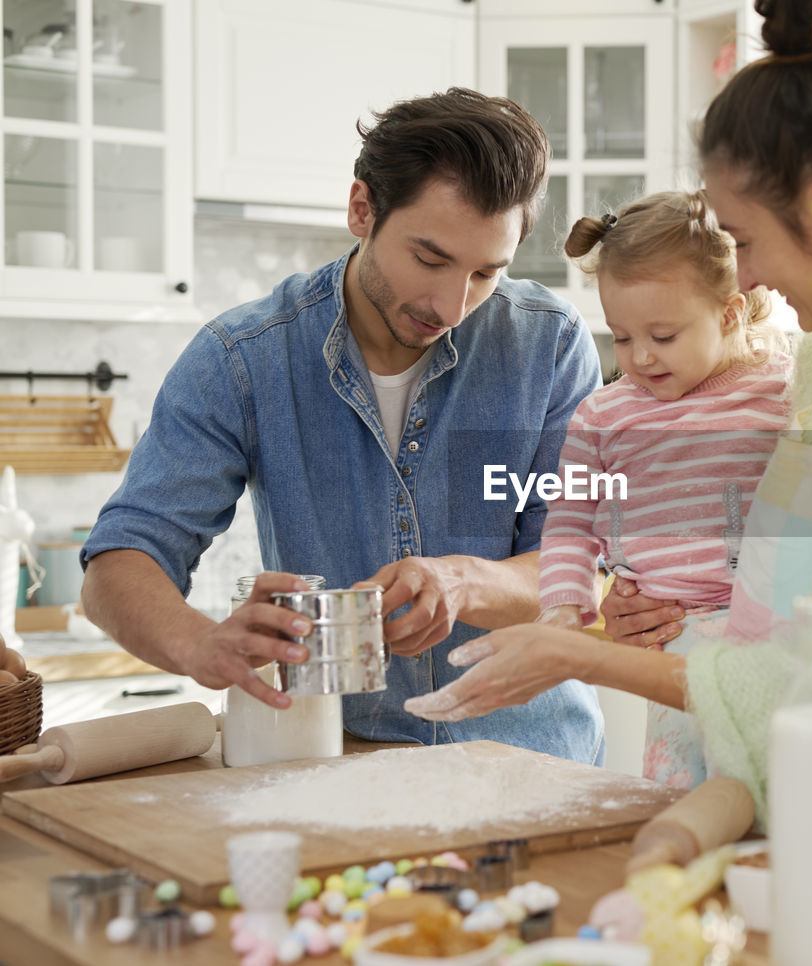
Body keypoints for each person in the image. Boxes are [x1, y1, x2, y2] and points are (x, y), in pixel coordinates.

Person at [402, 1, 812, 820]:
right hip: (800, 807)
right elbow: (768, 600)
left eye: (745, 240)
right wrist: (627, 605)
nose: (748, 282)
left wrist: (581, 655)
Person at [79, 88, 606, 765]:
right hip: (340, 760)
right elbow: (121, 560)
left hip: (536, 762)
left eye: (485, 273)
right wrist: (197, 642)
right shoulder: (243, 358)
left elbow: (582, 570)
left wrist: (462, 582)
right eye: (431, 258)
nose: (452, 305)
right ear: (362, 209)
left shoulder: (551, 345)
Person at [527, 191, 791, 787]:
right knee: (676, 793)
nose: (640, 357)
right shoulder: (601, 415)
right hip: (666, 649)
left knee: (762, 800)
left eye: (664, 336)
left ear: (729, 313)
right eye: (621, 337)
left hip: (765, 647)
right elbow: (569, 521)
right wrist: (564, 609)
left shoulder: (781, 391)